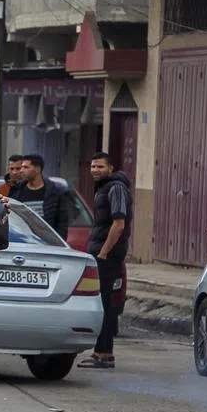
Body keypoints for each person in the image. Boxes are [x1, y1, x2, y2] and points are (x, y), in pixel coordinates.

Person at [79, 152, 133, 370]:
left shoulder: (116, 188)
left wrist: (103, 252)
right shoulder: (104, 187)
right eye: (92, 166)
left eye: (100, 167)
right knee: (101, 303)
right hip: (101, 253)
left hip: (107, 257)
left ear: (111, 168)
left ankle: (104, 354)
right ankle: (100, 352)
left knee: (107, 305)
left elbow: (118, 224)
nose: (95, 170)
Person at [7, 154, 70, 239]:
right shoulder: (17, 191)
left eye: (26, 167)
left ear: (37, 169)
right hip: (24, 240)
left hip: (47, 241)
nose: (21, 170)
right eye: (21, 167)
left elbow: (62, 222)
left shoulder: (55, 192)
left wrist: (58, 242)